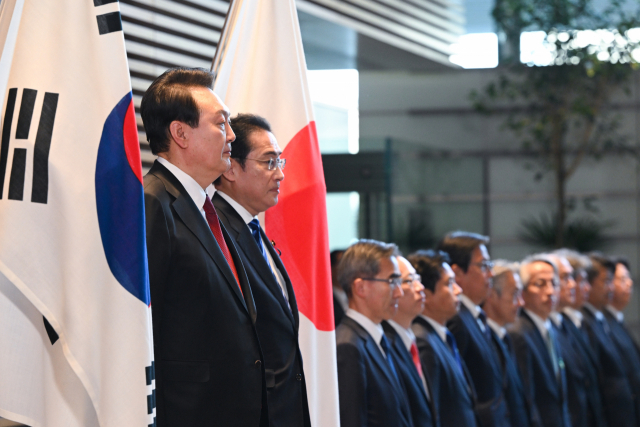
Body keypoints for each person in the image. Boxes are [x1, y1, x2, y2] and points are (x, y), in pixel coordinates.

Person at [141, 68, 267, 426]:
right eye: (221, 123)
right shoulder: (152, 203)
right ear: (180, 133)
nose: (232, 135)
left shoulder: (205, 205)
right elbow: (144, 329)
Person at [211, 113, 310, 427]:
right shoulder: (215, 232)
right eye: (269, 162)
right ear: (230, 169)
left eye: (280, 161)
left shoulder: (253, 227)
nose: (280, 174)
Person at [335, 239, 412, 427]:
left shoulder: (379, 337)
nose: (399, 292)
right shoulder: (348, 346)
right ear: (360, 288)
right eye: (392, 281)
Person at [437, 232, 509, 427]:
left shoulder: (474, 315)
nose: (490, 274)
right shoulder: (456, 319)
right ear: (457, 273)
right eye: (483, 266)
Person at [410, 250, 478, 427]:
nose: (458, 290)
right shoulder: (422, 340)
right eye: (449, 283)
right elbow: (434, 412)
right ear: (426, 294)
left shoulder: (441, 335)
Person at [507, 256, 571, 427]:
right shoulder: (518, 333)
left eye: (554, 283)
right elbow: (528, 398)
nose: (550, 291)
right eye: (540, 284)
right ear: (523, 291)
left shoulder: (550, 328)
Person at [548, 253, 605, 427]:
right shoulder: (545, 329)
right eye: (566, 278)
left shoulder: (565, 323)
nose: (572, 284)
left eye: (573, 278)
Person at [581, 253, 637, 427]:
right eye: (606, 281)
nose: (611, 288)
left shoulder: (600, 320)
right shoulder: (586, 323)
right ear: (588, 284)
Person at [382, 255, 436, 427]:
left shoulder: (410, 339)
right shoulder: (384, 345)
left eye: (417, 279)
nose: (420, 287)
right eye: (409, 281)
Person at [483, 261, 534, 427]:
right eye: (514, 294)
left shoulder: (505, 336)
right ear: (491, 295)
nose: (520, 302)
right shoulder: (485, 341)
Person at [603, 257, 640, 426]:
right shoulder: (603, 325)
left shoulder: (617, 320)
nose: (630, 283)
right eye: (623, 279)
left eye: (629, 278)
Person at [331, 249, 347, 327]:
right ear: (331, 268)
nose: (346, 268)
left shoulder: (354, 294)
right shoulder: (325, 300)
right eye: (341, 263)